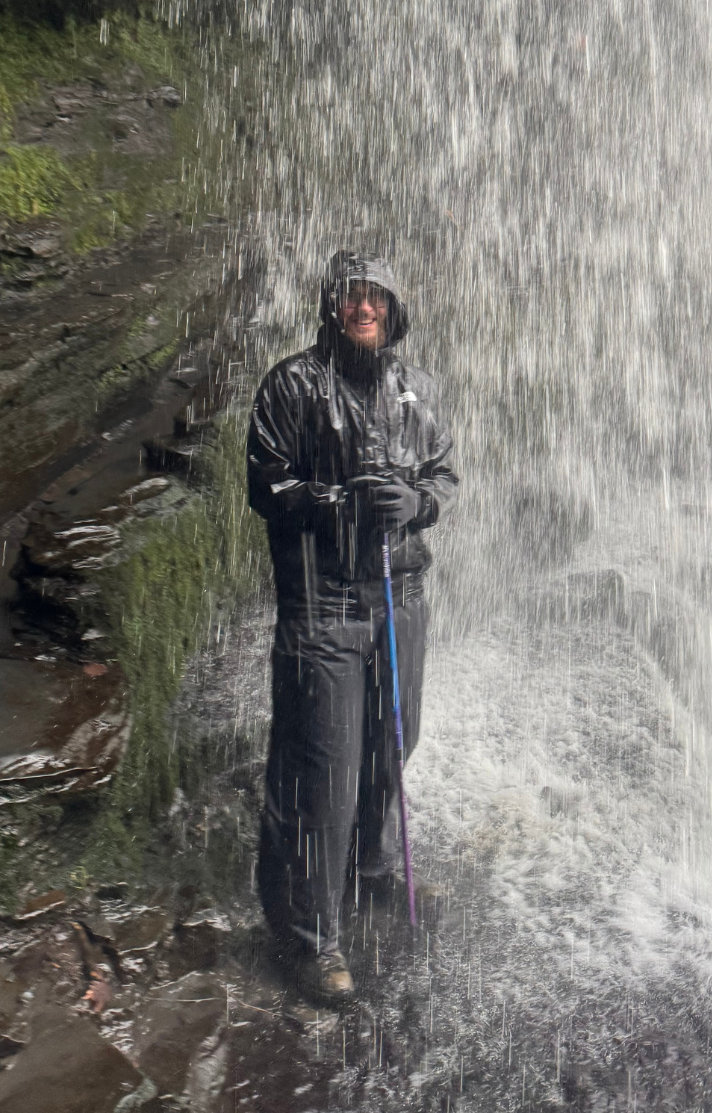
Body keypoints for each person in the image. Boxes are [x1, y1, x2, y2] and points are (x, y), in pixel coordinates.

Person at [246, 250, 459, 1001]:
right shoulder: (291, 385)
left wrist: (417, 505)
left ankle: (369, 870)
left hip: (401, 599)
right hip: (323, 604)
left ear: (395, 309)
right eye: (350, 297)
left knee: (393, 741)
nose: (363, 308)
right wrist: (341, 505)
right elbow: (268, 487)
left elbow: (440, 474)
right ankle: (309, 937)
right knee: (322, 770)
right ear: (331, 308)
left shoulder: (417, 390)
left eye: (376, 297)